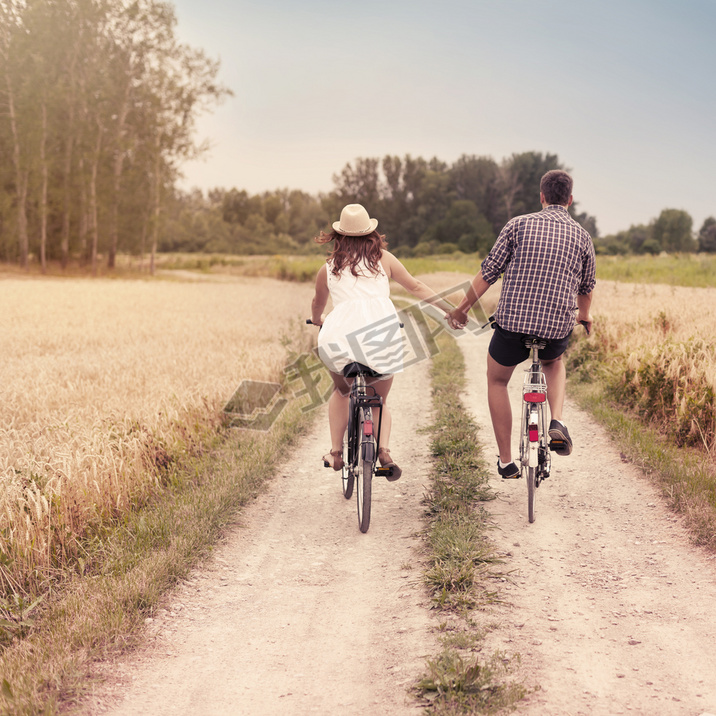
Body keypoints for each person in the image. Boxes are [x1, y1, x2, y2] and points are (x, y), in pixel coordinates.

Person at [447, 170, 596, 479]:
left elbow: (489, 273)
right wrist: (585, 315)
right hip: (555, 329)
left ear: (541, 197)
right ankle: (556, 421)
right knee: (553, 361)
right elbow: (586, 286)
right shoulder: (582, 236)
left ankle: (505, 461)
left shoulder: (517, 225)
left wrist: (462, 309)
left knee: (497, 380)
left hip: (512, 327)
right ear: (569, 199)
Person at [311, 203, 454, 480]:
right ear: (370, 234)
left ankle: (336, 453)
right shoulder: (385, 259)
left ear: (339, 236)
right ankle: (384, 452)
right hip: (381, 340)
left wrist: (318, 319)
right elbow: (416, 287)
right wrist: (449, 309)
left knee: (341, 391)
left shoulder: (327, 268)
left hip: (339, 341)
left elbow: (317, 304)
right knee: (379, 399)